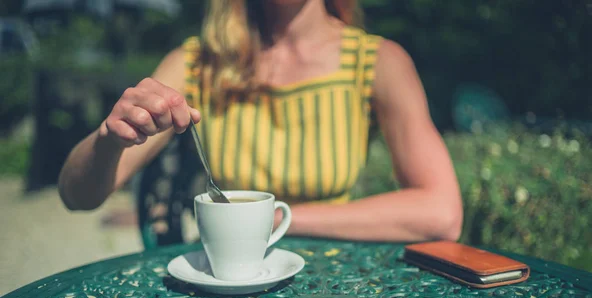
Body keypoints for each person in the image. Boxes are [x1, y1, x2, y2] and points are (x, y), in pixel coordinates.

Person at [58, 0, 463, 242]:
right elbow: (78, 196)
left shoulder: (378, 63)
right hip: (226, 285)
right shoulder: (199, 63)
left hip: (336, 286)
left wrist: (277, 219)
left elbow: (442, 211)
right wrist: (110, 138)